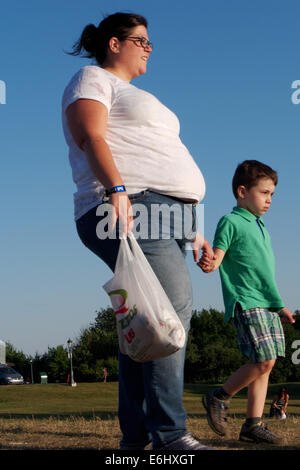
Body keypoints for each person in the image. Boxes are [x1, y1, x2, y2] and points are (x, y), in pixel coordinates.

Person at [62, 12, 214, 450]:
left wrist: (194, 230)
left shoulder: (138, 94)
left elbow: (169, 163)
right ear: (114, 43)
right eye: (141, 40)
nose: (149, 47)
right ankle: (169, 434)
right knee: (169, 317)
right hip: (132, 206)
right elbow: (90, 135)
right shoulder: (91, 77)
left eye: (150, 41)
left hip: (171, 215)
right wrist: (118, 189)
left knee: (145, 324)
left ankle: (139, 438)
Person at [198, 160, 295, 444]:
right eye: (264, 192)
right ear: (242, 191)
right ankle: (218, 396)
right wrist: (209, 262)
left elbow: (262, 274)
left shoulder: (260, 225)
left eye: (272, 194)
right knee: (262, 360)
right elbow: (217, 258)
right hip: (246, 303)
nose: (269, 200)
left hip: (266, 305)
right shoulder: (230, 222)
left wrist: (280, 306)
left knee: (267, 363)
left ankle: (252, 425)